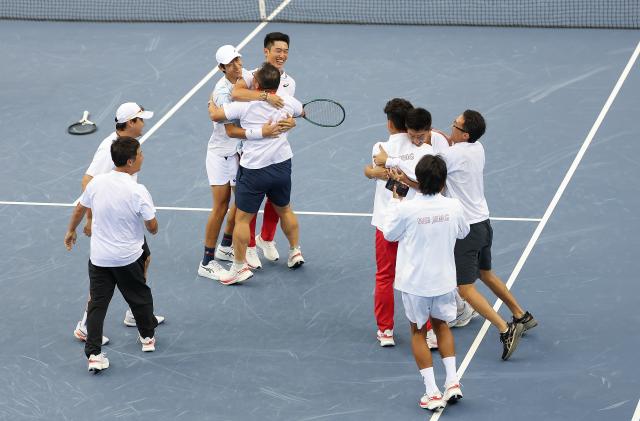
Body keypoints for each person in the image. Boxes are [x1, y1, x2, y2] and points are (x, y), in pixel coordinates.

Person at [440, 110, 537, 360]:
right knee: (486, 273)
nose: (451, 127)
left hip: (466, 230)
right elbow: (451, 149)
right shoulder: (477, 148)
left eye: (455, 125)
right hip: (483, 223)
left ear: (465, 134)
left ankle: (504, 329)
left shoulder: (450, 155)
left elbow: (429, 172)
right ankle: (520, 314)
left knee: (465, 288)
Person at [64, 137, 159, 373]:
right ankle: (147, 338)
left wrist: (70, 231)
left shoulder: (96, 184)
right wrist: (148, 223)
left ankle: (94, 355)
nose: (143, 156)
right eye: (140, 153)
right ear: (130, 161)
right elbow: (152, 226)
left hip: (100, 259)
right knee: (140, 297)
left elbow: (80, 207)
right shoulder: (138, 190)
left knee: (97, 304)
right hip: (128, 258)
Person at [73, 102, 163, 347]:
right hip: (113, 222)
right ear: (131, 123)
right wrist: (93, 217)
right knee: (103, 280)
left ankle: (136, 313)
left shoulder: (128, 146)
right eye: (141, 119)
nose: (144, 123)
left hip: (126, 216)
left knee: (144, 258)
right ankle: (84, 325)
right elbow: (88, 181)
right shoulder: (108, 149)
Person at [383, 154, 469, 411]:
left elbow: (389, 234)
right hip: (443, 281)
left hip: (415, 284)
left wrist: (395, 201)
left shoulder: (407, 209)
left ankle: (432, 392)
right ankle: (452, 382)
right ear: (443, 182)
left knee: (418, 333)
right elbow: (463, 232)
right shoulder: (454, 206)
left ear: (418, 180)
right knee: (442, 327)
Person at [198, 45, 289, 280]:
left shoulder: (246, 76)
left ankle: (226, 247)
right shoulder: (220, 92)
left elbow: (259, 91)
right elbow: (230, 131)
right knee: (220, 207)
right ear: (221, 68)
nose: (238, 66)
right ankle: (207, 261)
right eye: (231, 64)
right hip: (220, 154)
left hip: (239, 154)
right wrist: (263, 132)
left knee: (240, 204)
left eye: (238, 60)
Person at [209, 63, 304, 285]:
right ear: (278, 85)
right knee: (285, 210)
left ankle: (238, 268)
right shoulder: (287, 101)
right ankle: (294, 252)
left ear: (258, 85)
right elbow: (301, 111)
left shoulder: (245, 107)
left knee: (243, 219)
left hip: (254, 171)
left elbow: (216, 115)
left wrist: (211, 101)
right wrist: (290, 120)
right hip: (282, 166)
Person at [364, 102, 440, 348]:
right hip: (416, 224)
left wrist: (377, 170)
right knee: (420, 275)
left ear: (389, 123)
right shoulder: (424, 150)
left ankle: (385, 330)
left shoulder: (380, 147)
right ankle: (428, 331)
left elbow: (373, 169)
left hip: (387, 223)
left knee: (385, 276)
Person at [231, 32, 296, 267]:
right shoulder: (250, 76)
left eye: (286, 51)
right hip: (250, 149)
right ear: (266, 51)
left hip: (277, 150)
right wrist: (265, 96)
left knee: (275, 199)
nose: (282, 55)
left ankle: (266, 239)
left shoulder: (289, 82)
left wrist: (291, 122)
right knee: (248, 203)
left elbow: (289, 112)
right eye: (278, 50)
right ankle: (248, 246)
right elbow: (236, 94)